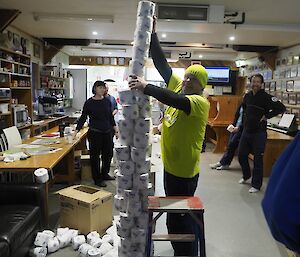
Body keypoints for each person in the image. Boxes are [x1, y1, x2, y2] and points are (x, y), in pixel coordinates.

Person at [128, 17, 210, 256]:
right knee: (174, 217)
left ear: (200, 85)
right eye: (186, 77)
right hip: (171, 167)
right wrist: (153, 33)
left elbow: (175, 100)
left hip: (184, 172)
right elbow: (162, 64)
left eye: (192, 80)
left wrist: (146, 87)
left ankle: (186, 253)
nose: (185, 81)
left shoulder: (198, 102)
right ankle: (181, 251)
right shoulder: (179, 85)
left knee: (179, 220)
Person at [238, 74, 286, 193]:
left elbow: (281, 108)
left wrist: (267, 116)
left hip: (259, 133)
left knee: (258, 159)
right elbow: (243, 110)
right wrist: (240, 125)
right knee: (241, 155)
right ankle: (246, 175)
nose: (255, 84)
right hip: (246, 130)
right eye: (253, 81)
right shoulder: (247, 96)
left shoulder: (266, 97)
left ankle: (256, 185)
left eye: (258, 82)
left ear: (261, 84)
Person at [74, 80, 118, 187]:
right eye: (100, 87)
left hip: (107, 132)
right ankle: (97, 179)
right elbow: (83, 117)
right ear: (94, 89)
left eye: (103, 88)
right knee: (95, 157)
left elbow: (110, 117)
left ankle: (105, 174)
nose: (102, 89)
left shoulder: (107, 101)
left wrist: (116, 130)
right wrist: (76, 130)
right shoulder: (89, 102)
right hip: (95, 133)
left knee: (108, 155)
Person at [210, 104, 243, 170]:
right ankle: (223, 163)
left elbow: (246, 120)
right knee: (230, 146)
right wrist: (233, 125)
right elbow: (237, 116)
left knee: (232, 145)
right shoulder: (241, 105)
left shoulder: (249, 107)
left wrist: (239, 128)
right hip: (235, 127)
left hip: (241, 129)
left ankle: (224, 163)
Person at [104, 83, 118, 171]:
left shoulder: (112, 98)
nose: (106, 89)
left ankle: (107, 168)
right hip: (102, 127)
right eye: (105, 88)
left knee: (109, 147)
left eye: (107, 88)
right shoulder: (100, 99)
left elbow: (116, 108)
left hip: (111, 125)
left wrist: (112, 113)